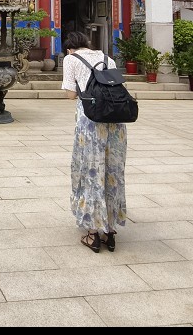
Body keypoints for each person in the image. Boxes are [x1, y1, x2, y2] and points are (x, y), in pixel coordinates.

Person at [61, 30, 127, 253]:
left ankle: (92, 231)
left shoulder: (71, 59)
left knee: (91, 171)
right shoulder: (108, 58)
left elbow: (70, 95)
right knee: (112, 171)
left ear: (70, 48)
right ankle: (109, 229)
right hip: (116, 120)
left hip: (90, 121)